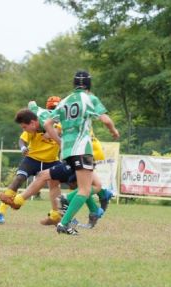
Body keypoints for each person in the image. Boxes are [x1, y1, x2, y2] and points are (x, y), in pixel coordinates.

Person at [43, 70, 120, 235]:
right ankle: (63, 223)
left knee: (91, 186)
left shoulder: (64, 101)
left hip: (67, 151)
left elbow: (48, 124)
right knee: (85, 189)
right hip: (82, 148)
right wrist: (114, 131)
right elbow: (105, 119)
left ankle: (67, 206)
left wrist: (60, 142)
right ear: (89, 85)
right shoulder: (89, 98)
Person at [0, 96, 63, 225]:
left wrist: (54, 133)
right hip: (33, 159)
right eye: (51, 107)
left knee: (63, 184)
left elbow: (58, 133)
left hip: (52, 161)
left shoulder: (59, 124)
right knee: (18, 179)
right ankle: (0, 213)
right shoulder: (34, 123)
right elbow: (22, 139)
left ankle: (58, 215)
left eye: (55, 108)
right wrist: (22, 147)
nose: (52, 110)